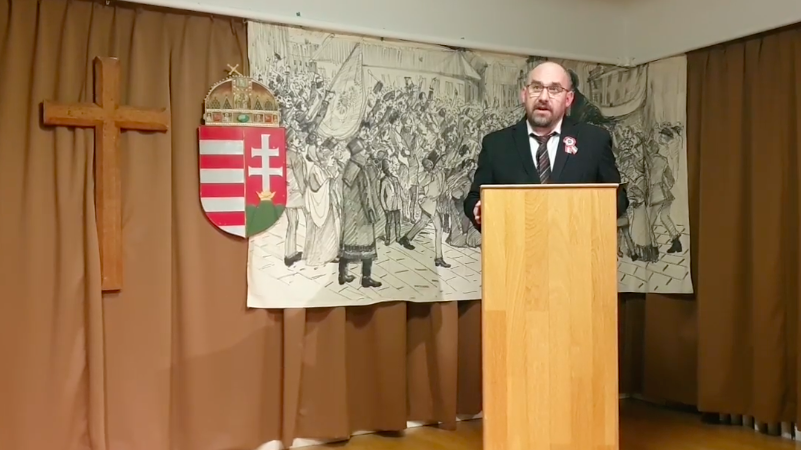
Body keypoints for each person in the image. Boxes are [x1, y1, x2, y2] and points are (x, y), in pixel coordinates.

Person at [463, 61, 628, 230]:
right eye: (536, 87)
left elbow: (618, 198)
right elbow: (474, 198)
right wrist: (478, 209)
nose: (543, 97)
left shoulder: (594, 140)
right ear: (524, 94)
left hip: (577, 242)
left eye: (554, 89)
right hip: (515, 243)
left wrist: (585, 214)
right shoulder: (496, 144)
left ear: (569, 99)